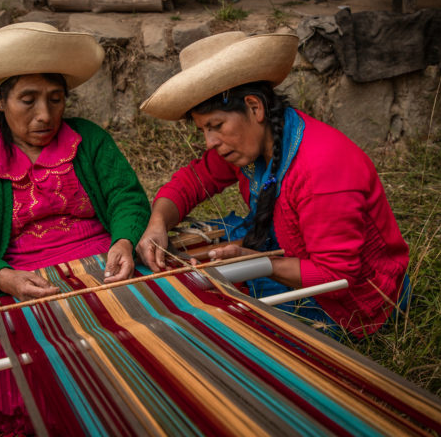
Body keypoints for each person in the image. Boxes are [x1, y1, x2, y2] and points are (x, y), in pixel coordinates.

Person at [0, 22, 150, 434]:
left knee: (155, 313)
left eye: (55, 100)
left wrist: (126, 241)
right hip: (22, 276)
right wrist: (3, 278)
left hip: (102, 262)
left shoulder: (89, 140)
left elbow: (126, 198)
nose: (45, 114)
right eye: (28, 100)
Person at [136, 31, 410, 341]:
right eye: (203, 130)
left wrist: (255, 264)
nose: (210, 143)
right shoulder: (256, 141)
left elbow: (336, 278)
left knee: (206, 325)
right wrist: (157, 223)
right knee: (192, 266)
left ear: (254, 108)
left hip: (353, 304)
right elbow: (193, 181)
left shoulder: (322, 170)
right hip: (291, 255)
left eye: (216, 126)